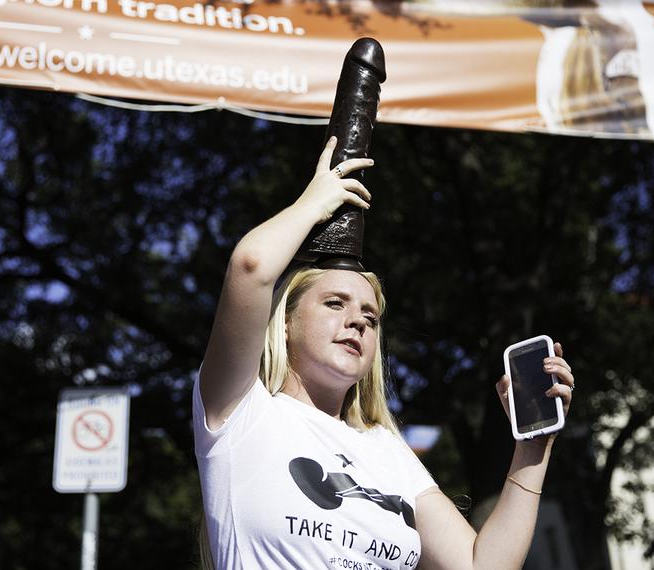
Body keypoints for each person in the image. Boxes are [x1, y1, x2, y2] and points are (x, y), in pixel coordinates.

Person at [193, 136, 575, 569]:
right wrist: (312, 204)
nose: (357, 320)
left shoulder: (387, 450)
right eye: (335, 303)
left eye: (370, 318)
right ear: (284, 322)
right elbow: (251, 267)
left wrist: (533, 449)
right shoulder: (241, 411)